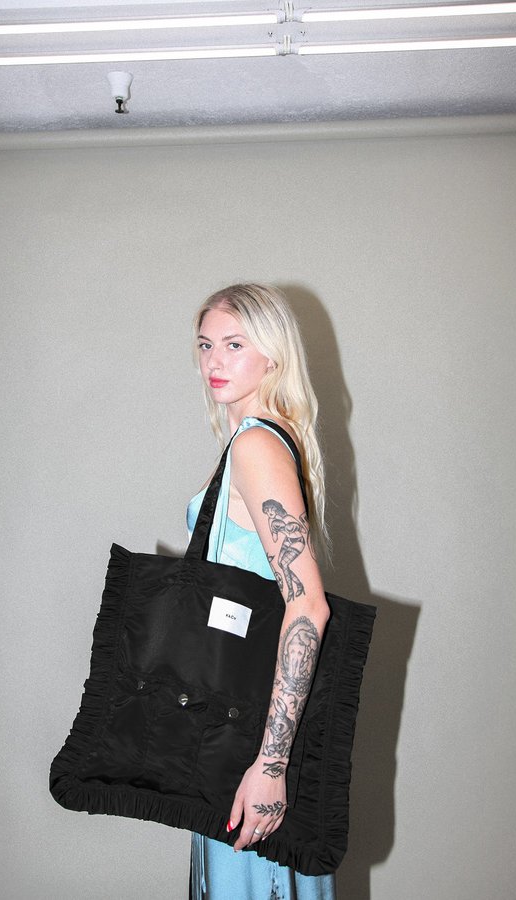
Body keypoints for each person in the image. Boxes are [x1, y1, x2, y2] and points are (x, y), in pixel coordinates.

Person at [186, 284, 336, 899]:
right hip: (239, 721)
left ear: (272, 355)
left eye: (234, 344)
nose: (214, 361)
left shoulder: (254, 444)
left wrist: (270, 766)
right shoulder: (260, 441)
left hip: (248, 735)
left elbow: (308, 604)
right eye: (205, 345)